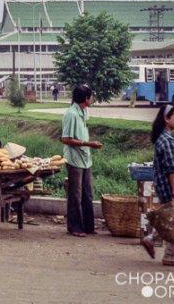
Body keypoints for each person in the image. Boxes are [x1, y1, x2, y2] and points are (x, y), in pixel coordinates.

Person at [141, 104, 174, 268]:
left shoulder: (162, 138)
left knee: (170, 218)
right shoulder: (168, 141)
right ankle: (169, 257)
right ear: (166, 119)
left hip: (163, 185)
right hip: (169, 186)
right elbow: (172, 168)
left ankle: (151, 239)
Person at [61, 84, 103, 237]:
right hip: (74, 159)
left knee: (88, 193)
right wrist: (89, 144)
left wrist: (88, 145)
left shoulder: (84, 111)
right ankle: (74, 227)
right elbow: (65, 139)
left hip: (85, 158)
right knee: (75, 195)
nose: (92, 99)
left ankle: (88, 226)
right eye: (91, 96)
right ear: (86, 98)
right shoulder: (71, 114)